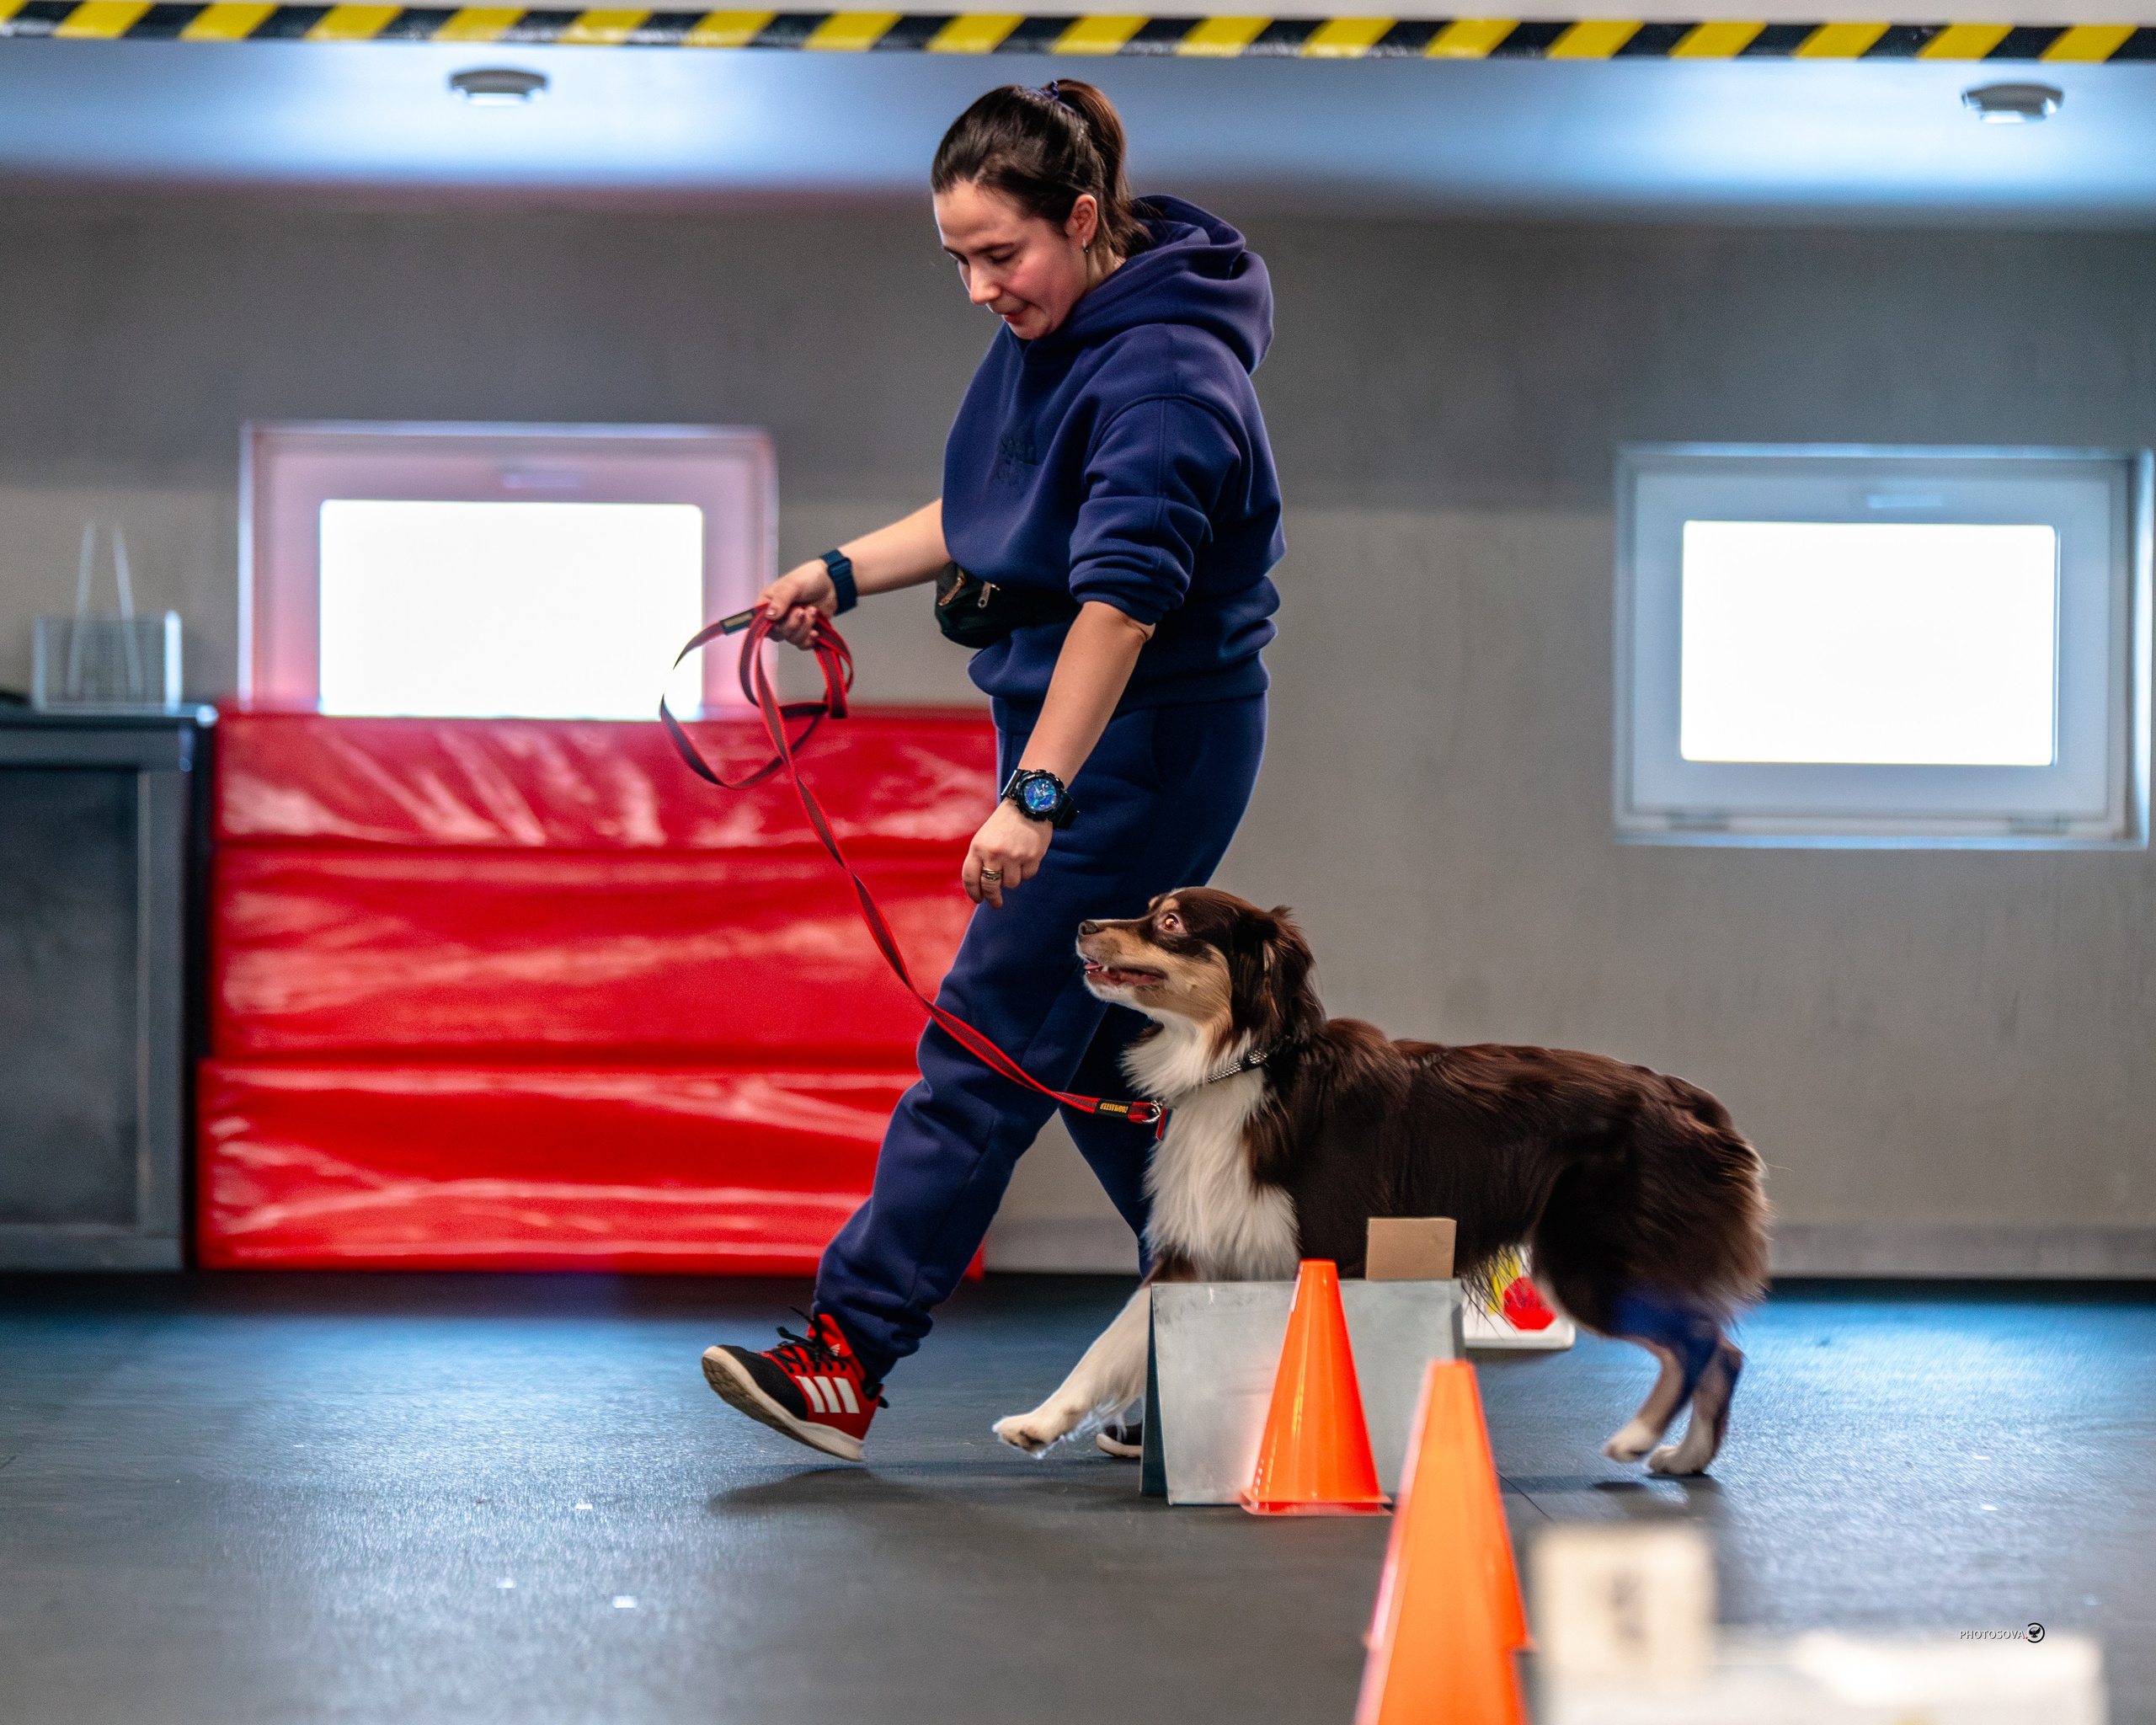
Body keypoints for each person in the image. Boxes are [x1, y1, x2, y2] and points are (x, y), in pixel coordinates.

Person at [701, 79, 1283, 1461]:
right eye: (955, 258)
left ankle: (848, 1353)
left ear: (1081, 221)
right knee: (1092, 1050)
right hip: (1075, 731)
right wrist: (837, 574)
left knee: (981, 1041)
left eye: (1000, 254)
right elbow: (992, 512)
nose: (977, 286)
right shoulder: (1058, 330)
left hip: (1138, 743)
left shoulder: (1169, 378)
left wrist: (1037, 796)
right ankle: (1226, 1336)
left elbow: (1119, 605)